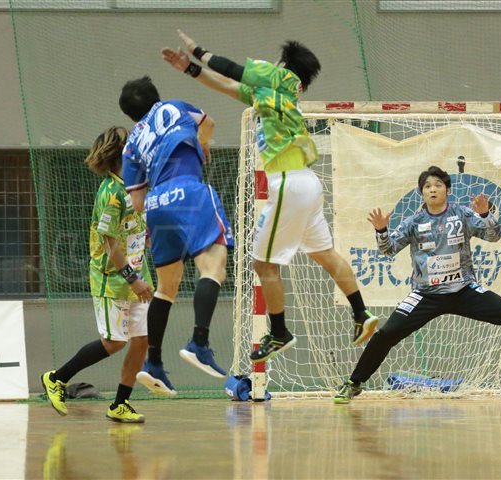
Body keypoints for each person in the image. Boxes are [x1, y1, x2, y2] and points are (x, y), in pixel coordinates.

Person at [160, 31, 378, 363]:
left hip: (288, 182)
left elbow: (233, 71)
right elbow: (228, 85)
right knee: (325, 254)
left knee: (263, 264)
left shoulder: (281, 78)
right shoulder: (273, 95)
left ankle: (279, 332)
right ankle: (362, 312)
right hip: (307, 183)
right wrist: (190, 69)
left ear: (285, 66)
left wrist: (198, 51)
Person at [333, 166, 501, 404]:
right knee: (386, 334)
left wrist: (485, 214)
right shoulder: (414, 221)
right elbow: (388, 250)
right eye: (427, 186)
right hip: (425, 294)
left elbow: (494, 236)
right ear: (422, 192)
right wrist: (381, 230)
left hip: (464, 290)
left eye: (438, 185)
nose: (433, 189)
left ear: (447, 190)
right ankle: (354, 383)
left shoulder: (462, 214)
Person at [118, 76, 234, 396]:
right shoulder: (173, 107)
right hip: (188, 190)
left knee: (166, 288)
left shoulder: (131, 144)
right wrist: (203, 142)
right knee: (213, 268)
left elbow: (137, 201)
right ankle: (199, 342)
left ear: (130, 114)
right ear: (156, 96)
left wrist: (152, 225)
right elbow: (209, 123)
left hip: (156, 204)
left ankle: (153, 363)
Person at [40, 126, 154, 423]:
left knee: (142, 340)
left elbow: (138, 225)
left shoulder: (137, 186)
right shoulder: (111, 194)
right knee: (115, 342)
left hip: (138, 274)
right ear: (122, 154)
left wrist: (150, 237)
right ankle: (56, 378)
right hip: (112, 279)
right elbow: (111, 245)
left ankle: (120, 404)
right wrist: (133, 279)